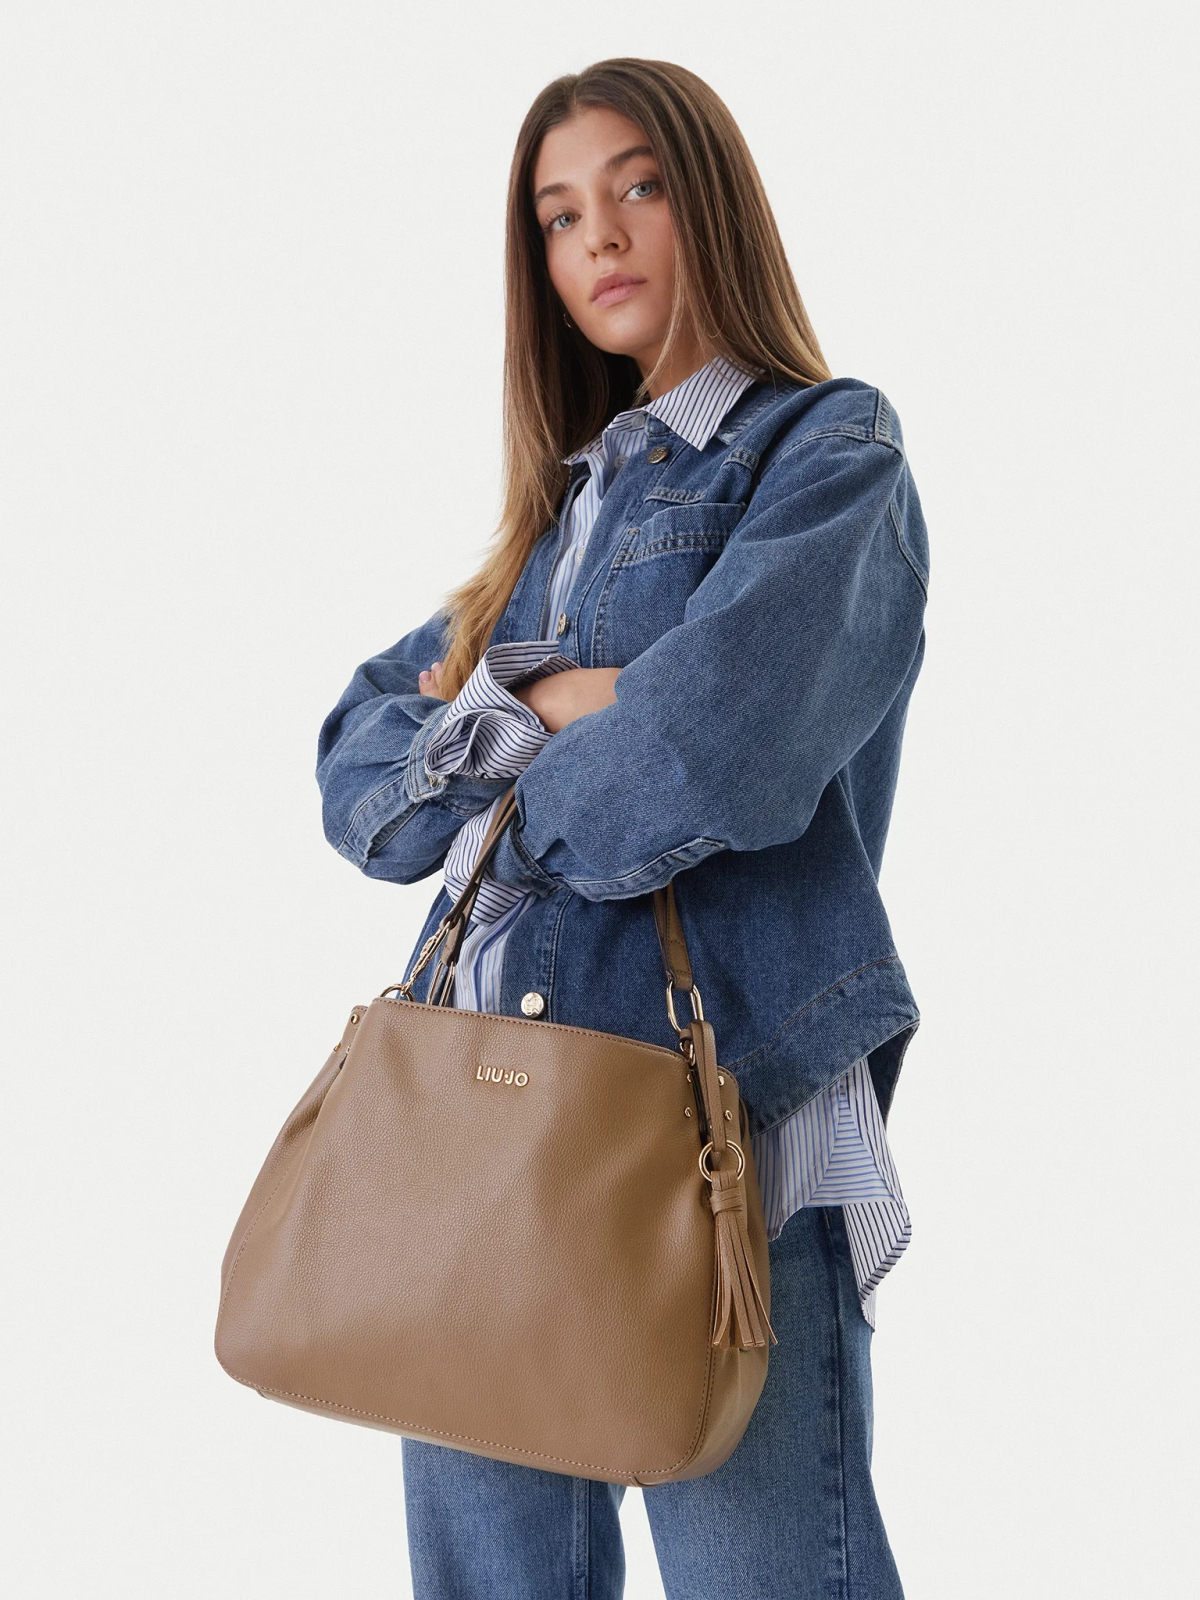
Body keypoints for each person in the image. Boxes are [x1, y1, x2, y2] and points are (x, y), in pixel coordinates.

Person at [315, 56, 929, 1600]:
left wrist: (507, 775)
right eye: (558, 213)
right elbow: (357, 763)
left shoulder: (827, 455)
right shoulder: (553, 519)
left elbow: (717, 748)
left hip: (724, 1132)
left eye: (639, 185)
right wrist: (566, 701)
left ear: (709, 201)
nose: (599, 234)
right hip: (479, 1134)